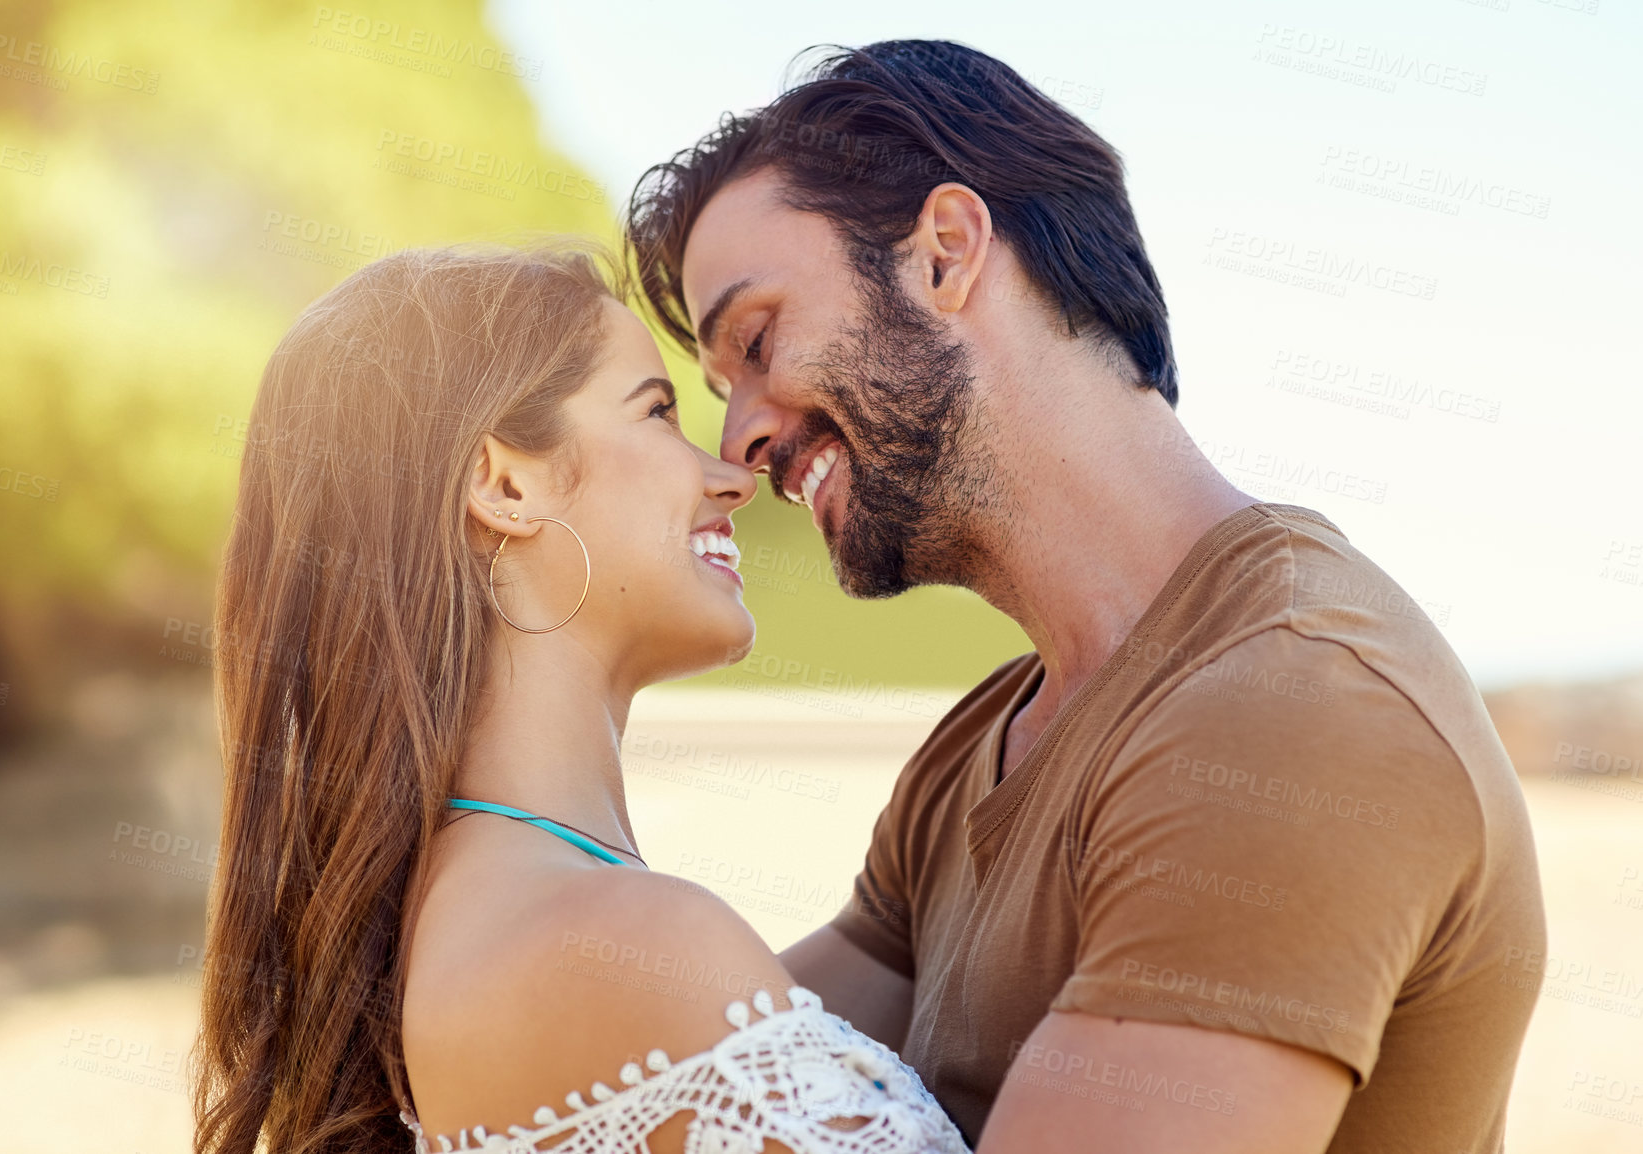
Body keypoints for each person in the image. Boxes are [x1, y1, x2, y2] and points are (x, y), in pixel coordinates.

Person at [627, 39, 1548, 1154]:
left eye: (758, 339)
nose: (744, 436)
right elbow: (685, 1087)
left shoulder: (1292, 706)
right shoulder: (982, 746)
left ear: (946, 253)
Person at [190, 247, 970, 1154]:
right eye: (656, 412)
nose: (734, 478)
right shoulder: (624, 942)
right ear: (506, 486)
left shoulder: (475, 917)